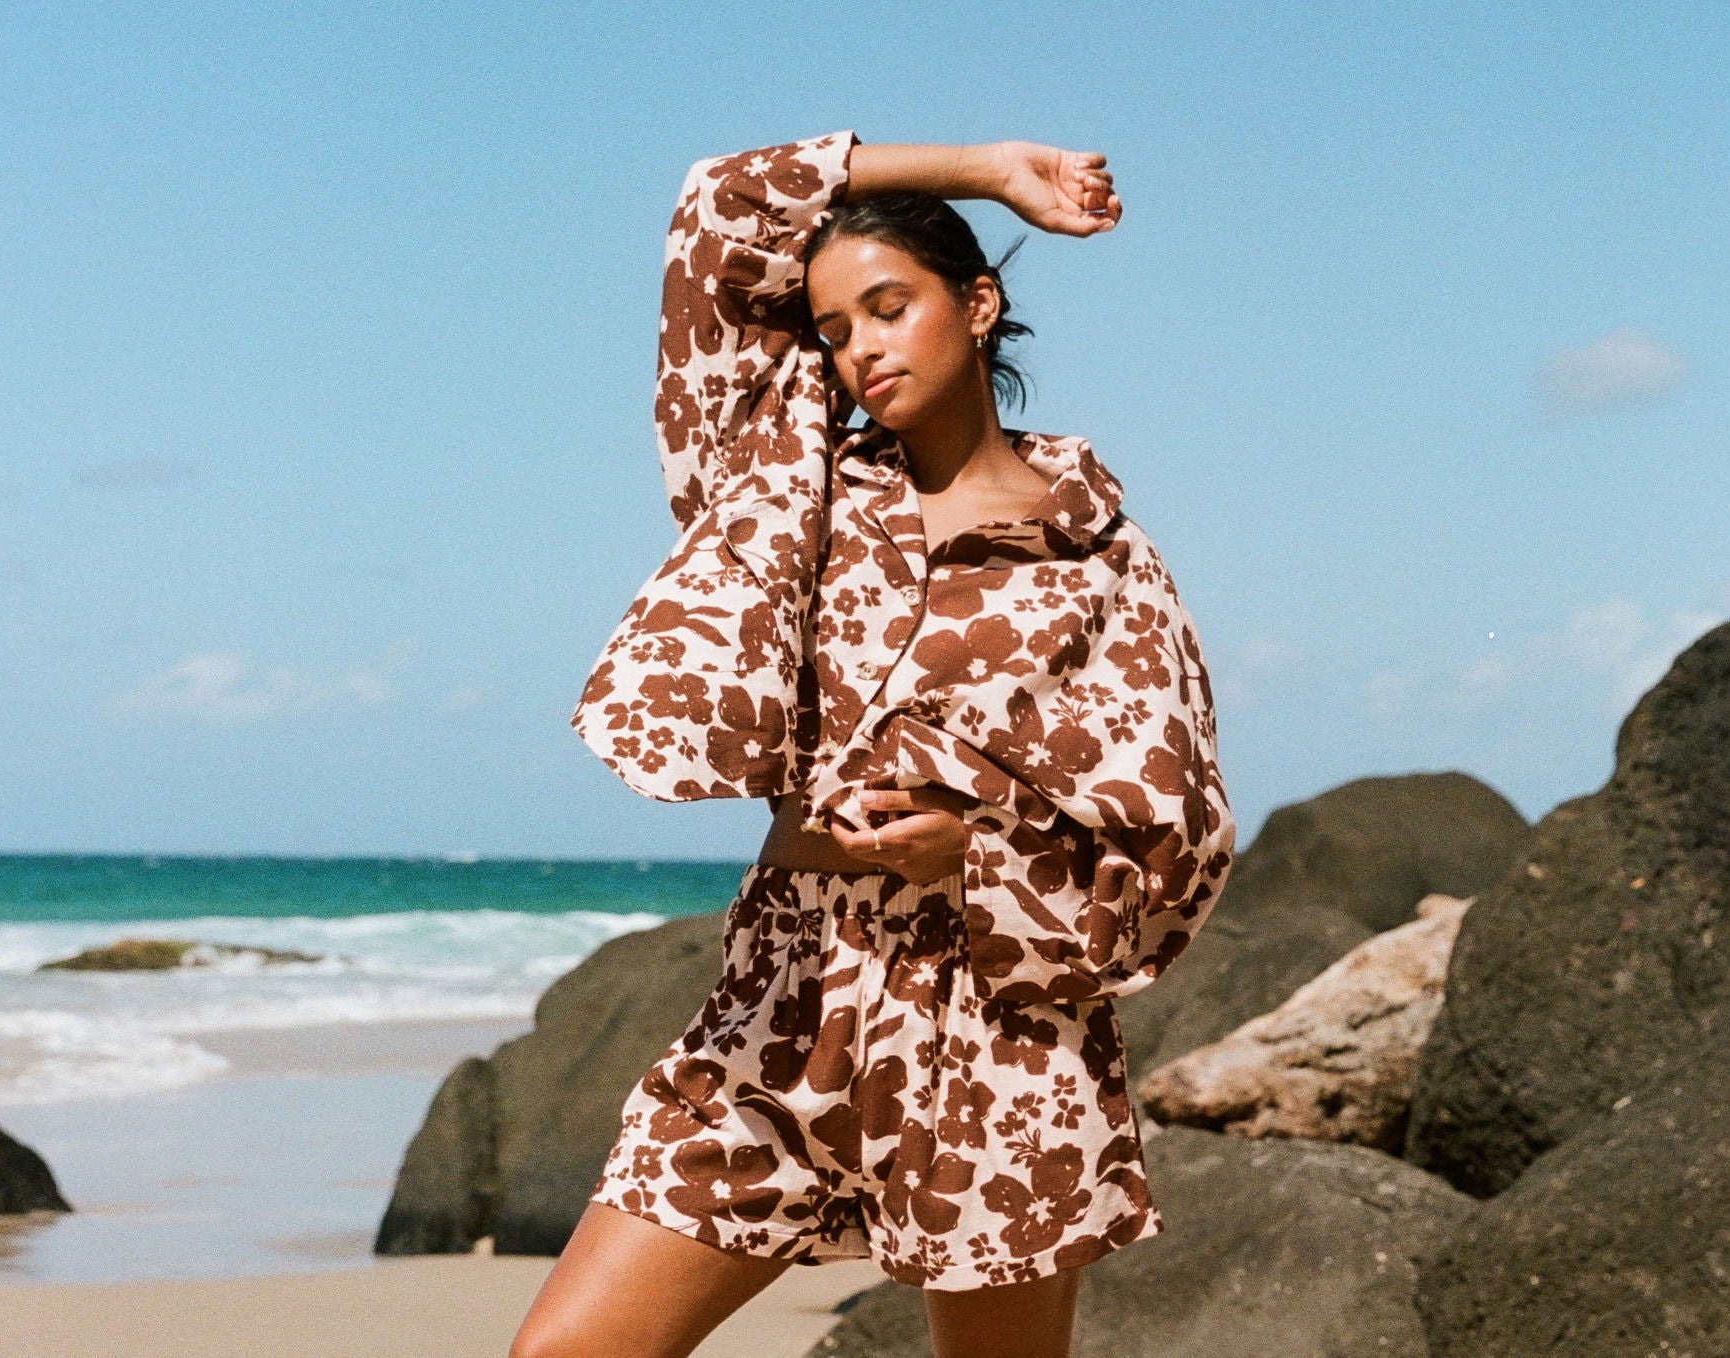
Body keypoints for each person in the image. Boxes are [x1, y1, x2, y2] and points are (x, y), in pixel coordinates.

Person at [510, 130, 1235, 1358]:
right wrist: (987, 170)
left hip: (999, 1029)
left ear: (978, 303)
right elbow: (719, 201)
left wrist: (980, 850)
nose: (861, 349)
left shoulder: (1102, 558)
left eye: (890, 307)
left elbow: (1176, 839)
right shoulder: (786, 486)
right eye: (834, 328)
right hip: (784, 993)